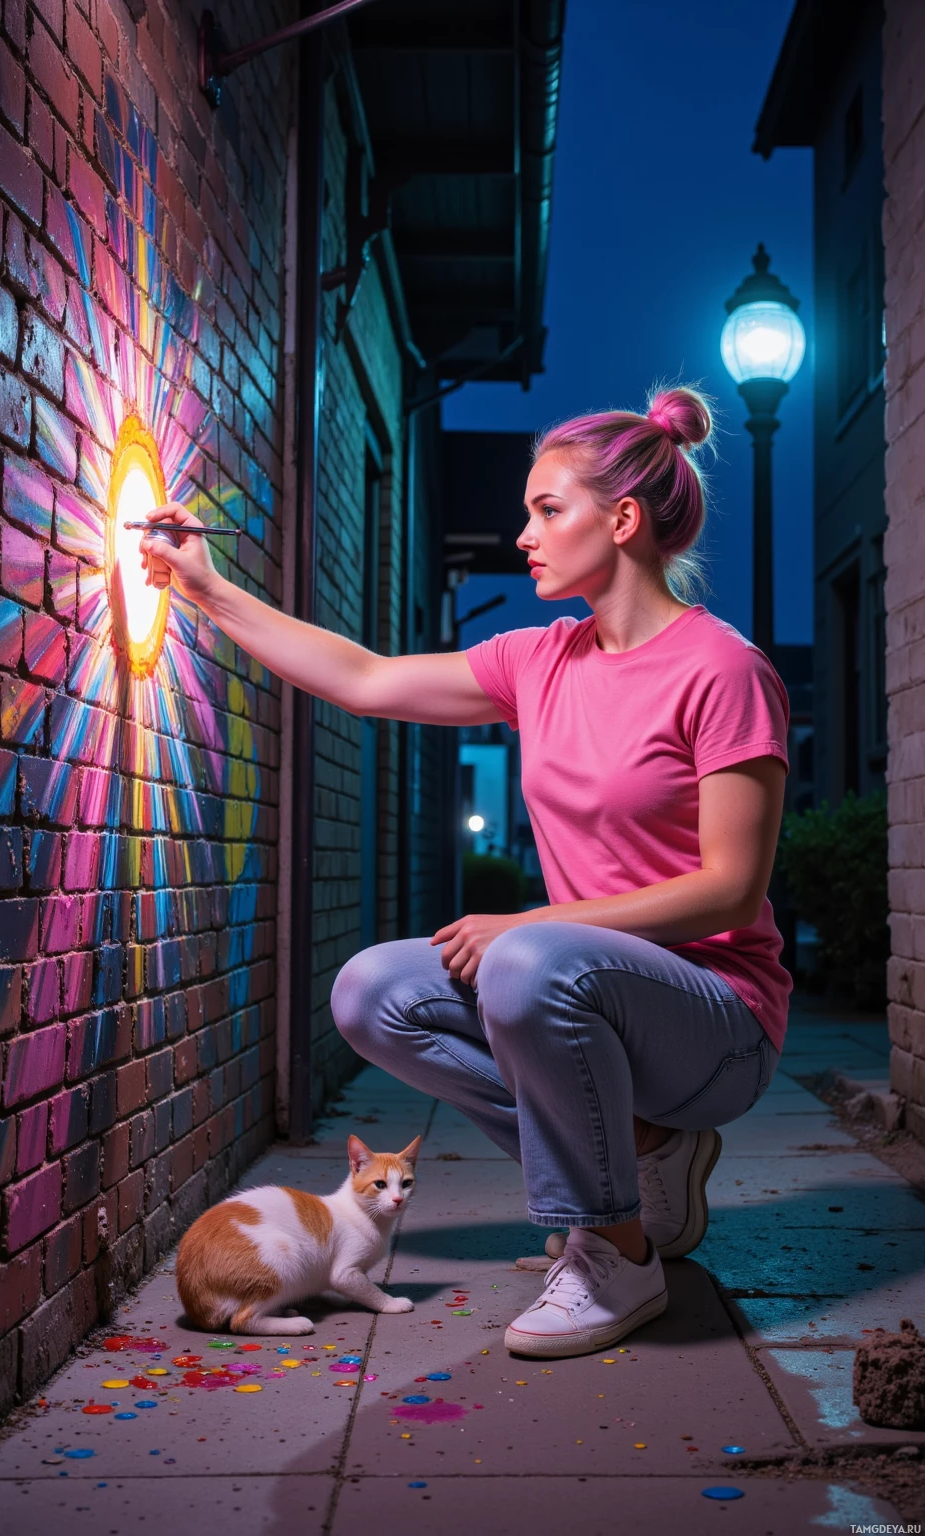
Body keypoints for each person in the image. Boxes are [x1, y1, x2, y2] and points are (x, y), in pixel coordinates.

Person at [140, 384, 790, 1360]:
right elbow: (364, 678)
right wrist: (205, 588)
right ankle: (643, 1154)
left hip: (716, 1020)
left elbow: (729, 890)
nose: (522, 531)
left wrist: (534, 926)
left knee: (526, 964)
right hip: (585, 980)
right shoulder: (538, 660)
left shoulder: (722, 671)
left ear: (620, 521)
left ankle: (614, 1255)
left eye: (546, 509)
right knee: (372, 993)